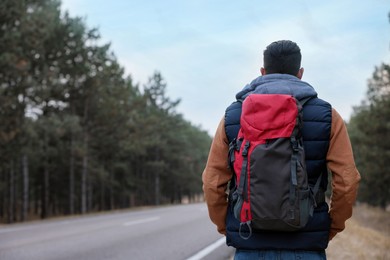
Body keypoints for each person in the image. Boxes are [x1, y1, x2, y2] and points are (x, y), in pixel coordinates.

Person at [202, 40, 361, 259]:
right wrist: (329, 227)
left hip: (250, 243)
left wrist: (229, 225)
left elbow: (212, 183)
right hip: (306, 246)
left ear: (263, 71)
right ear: (300, 73)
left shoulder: (233, 116)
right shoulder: (328, 116)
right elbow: (347, 181)